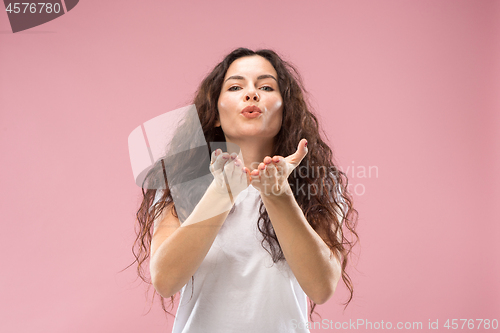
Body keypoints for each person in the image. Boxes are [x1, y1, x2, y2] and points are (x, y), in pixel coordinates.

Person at [131, 47, 359, 332]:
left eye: (265, 86)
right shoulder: (179, 183)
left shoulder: (318, 184)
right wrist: (222, 192)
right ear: (214, 114)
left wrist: (279, 195)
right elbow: (165, 280)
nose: (251, 94)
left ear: (285, 111)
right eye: (236, 86)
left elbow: (321, 288)